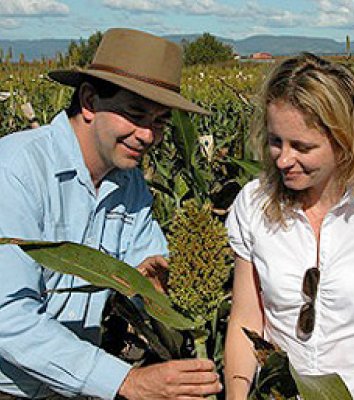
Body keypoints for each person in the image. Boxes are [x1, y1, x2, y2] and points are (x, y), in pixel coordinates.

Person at [0, 28, 222, 399]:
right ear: (89, 101)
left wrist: (172, 287)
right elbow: (7, 314)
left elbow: (148, 273)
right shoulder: (17, 169)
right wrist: (126, 381)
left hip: (74, 388)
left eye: (161, 121)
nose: (148, 136)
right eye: (135, 115)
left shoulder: (130, 185)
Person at [224, 53, 354, 400]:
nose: (284, 159)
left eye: (303, 146)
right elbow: (246, 318)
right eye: (276, 141)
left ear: (343, 140)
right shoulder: (253, 204)